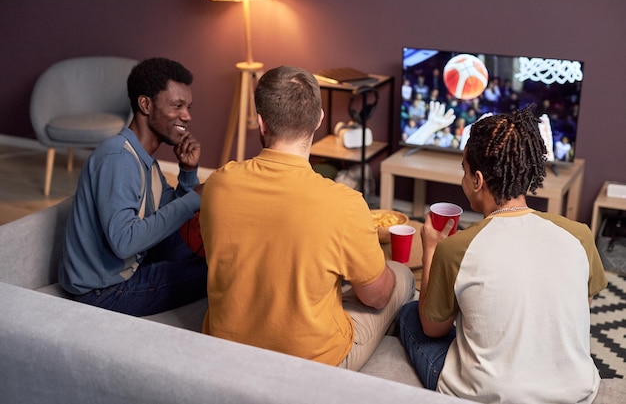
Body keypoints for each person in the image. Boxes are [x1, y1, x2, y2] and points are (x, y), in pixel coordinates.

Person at [199, 66, 415, 370]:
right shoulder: (345, 203)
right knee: (400, 277)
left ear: (260, 123)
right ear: (319, 119)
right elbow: (377, 298)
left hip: (225, 346)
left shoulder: (217, 185)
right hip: (312, 363)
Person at [397, 105, 607, 403]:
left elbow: (433, 328)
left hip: (490, 395)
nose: (463, 179)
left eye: (464, 171)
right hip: (576, 391)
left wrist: (431, 248)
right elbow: (580, 306)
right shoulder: (579, 234)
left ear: (477, 180)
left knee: (409, 314)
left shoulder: (456, 248)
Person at [58, 57, 207, 316]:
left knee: (216, 250)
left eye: (188, 107)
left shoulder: (143, 159)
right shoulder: (119, 158)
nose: (187, 116)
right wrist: (194, 197)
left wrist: (188, 173)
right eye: (177, 106)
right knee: (218, 272)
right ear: (146, 104)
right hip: (104, 292)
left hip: (126, 268)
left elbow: (171, 218)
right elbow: (124, 242)